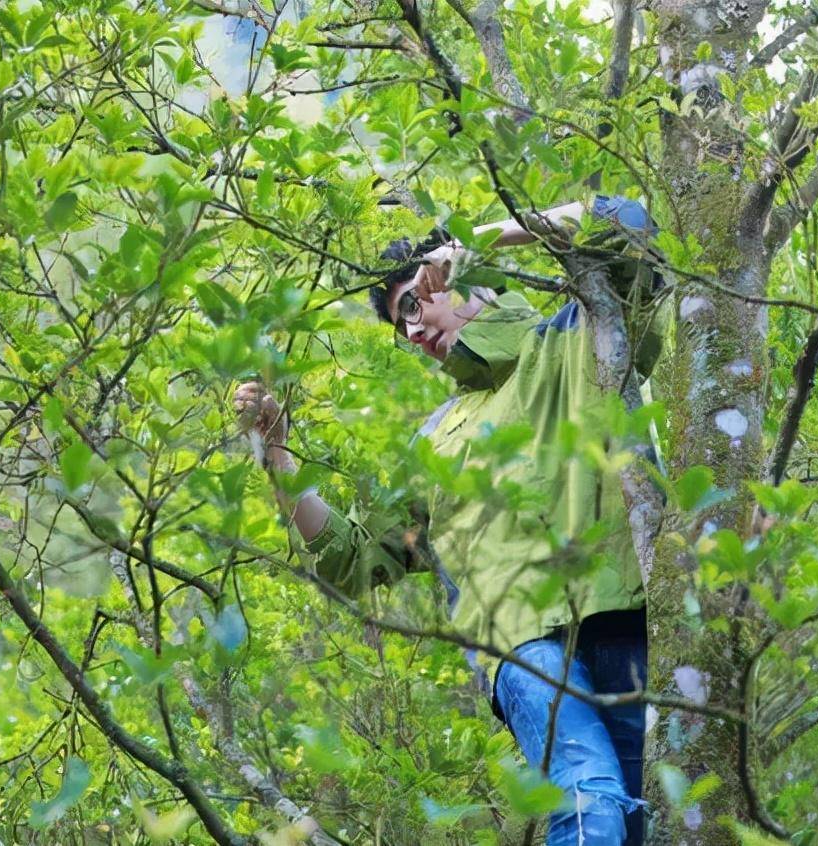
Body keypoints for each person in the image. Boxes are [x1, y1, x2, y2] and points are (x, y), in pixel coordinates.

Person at [234, 195, 663, 845]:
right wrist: (277, 452)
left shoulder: (577, 336)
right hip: (521, 644)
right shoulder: (437, 439)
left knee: (641, 823)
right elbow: (354, 555)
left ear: (458, 275)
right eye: (398, 324)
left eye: (412, 304)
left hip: (626, 622)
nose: (410, 333)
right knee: (589, 801)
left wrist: (480, 239)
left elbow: (626, 222)